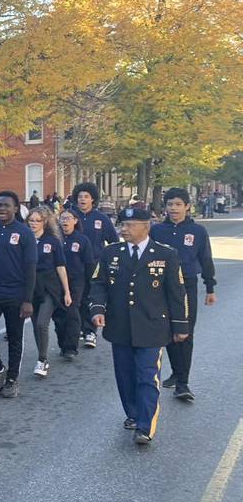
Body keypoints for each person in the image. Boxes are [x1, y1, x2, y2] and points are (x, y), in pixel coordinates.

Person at [89, 207, 189, 445]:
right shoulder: (111, 253)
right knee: (125, 376)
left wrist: (180, 325)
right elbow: (98, 283)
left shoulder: (166, 254)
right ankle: (133, 414)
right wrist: (97, 309)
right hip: (120, 325)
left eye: (130, 225)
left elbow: (177, 292)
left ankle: (145, 426)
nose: (123, 229)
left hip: (152, 327)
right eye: (122, 224)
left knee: (147, 376)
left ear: (146, 226)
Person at [151, 188, 217, 401]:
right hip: (161, 286)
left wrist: (210, 287)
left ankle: (183, 383)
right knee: (169, 331)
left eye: (178, 204)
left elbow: (206, 259)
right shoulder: (157, 230)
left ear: (187, 206)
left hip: (186, 285)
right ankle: (176, 372)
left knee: (185, 332)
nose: (173, 209)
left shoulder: (197, 231)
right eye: (170, 204)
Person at [0, 191, 37, 398]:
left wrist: (27, 300)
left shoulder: (25, 233)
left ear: (15, 208)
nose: (2, 209)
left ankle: (12, 378)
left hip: (16, 294)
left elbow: (30, 267)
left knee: (15, 338)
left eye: (6, 205)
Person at [26, 207, 72, 378]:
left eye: (38, 221)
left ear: (44, 222)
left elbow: (61, 266)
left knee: (41, 323)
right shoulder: (25, 240)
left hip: (49, 287)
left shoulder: (52, 241)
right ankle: (41, 353)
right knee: (35, 323)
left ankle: (42, 359)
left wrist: (66, 292)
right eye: (31, 220)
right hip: (31, 287)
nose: (34, 224)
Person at [71, 182, 119, 348]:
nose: (82, 199)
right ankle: (76, 329)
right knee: (75, 299)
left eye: (86, 196)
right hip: (73, 264)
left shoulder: (101, 219)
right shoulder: (69, 217)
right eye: (79, 196)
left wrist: (111, 261)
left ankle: (90, 331)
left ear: (93, 199)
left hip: (95, 263)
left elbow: (113, 241)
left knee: (91, 297)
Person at [54, 210, 95, 361]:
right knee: (58, 313)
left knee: (72, 310)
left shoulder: (82, 240)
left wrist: (91, 285)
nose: (65, 221)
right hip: (56, 280)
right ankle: (62, 343)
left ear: (75, 221)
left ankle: (71, 347)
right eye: (62, 218)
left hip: (76, 280)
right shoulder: (54, 239)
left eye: (68, 218)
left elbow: (89, 263)